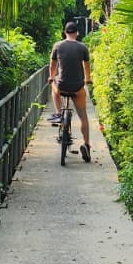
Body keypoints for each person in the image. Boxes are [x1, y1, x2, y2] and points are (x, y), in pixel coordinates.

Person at [49, 21, 92, 162]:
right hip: (77, 87)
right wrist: (88, 79)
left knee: (54, 86)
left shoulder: (58, 46)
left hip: (62, 86)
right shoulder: (82, 47)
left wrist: (51, 77)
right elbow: (86, 66)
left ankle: (58, 113)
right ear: (77, 33)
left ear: (64, 32)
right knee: (83, 116)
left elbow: (53, 65)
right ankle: (86, 145)